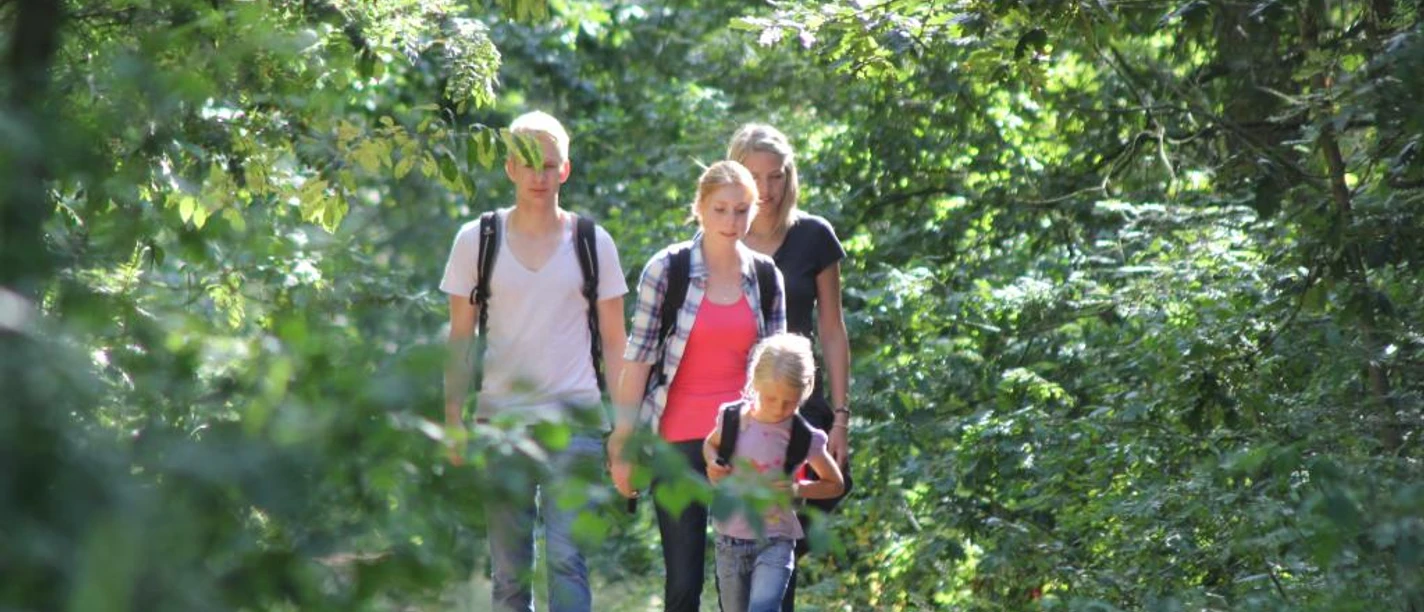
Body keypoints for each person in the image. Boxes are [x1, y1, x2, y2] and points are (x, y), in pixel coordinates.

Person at [440, 111, 628, 612]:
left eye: (549, 165)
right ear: (509, 168)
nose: (539, 176)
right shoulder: (476, 240)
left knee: (568, 561)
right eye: (528, 164)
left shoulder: (594, 243)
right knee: (508, 573)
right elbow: (461, 339)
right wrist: (454, 421)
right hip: (502, 426)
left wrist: (626, 428)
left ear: (565, 170)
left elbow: (615, 341)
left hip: (578, 425)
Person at [607, 160, 786, 612]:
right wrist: (623, 442)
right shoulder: (667, 270)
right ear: (700, 209)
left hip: (747, 442)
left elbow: (779, 370)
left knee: (746, 581)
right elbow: (639, 358)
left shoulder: (766, 277)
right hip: (676, 442)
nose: (731, 222)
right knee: (685, 582)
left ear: (755, 211)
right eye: (721, 209)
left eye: (742, 211)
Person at [727, 123, 852, 610]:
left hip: (800, 410)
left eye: (776, 176)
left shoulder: (814, 236)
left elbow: (834, 331)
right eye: (755, 176)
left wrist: (841, 417)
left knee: (781, 546)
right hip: (740, 414)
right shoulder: (719, 235)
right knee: (742, 551)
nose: (766, 189)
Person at [704, 333, 845, 612]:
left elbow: (834, 484)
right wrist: (713, 464)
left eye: (790, 402)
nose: (779, 408)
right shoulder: (732, 420)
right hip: (730, 542)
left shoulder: (804, 436)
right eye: (771, 398)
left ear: (803, 393)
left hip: (776, 541)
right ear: (755, 382)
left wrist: (798, 489)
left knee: (763, 606)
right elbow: (711, 444)